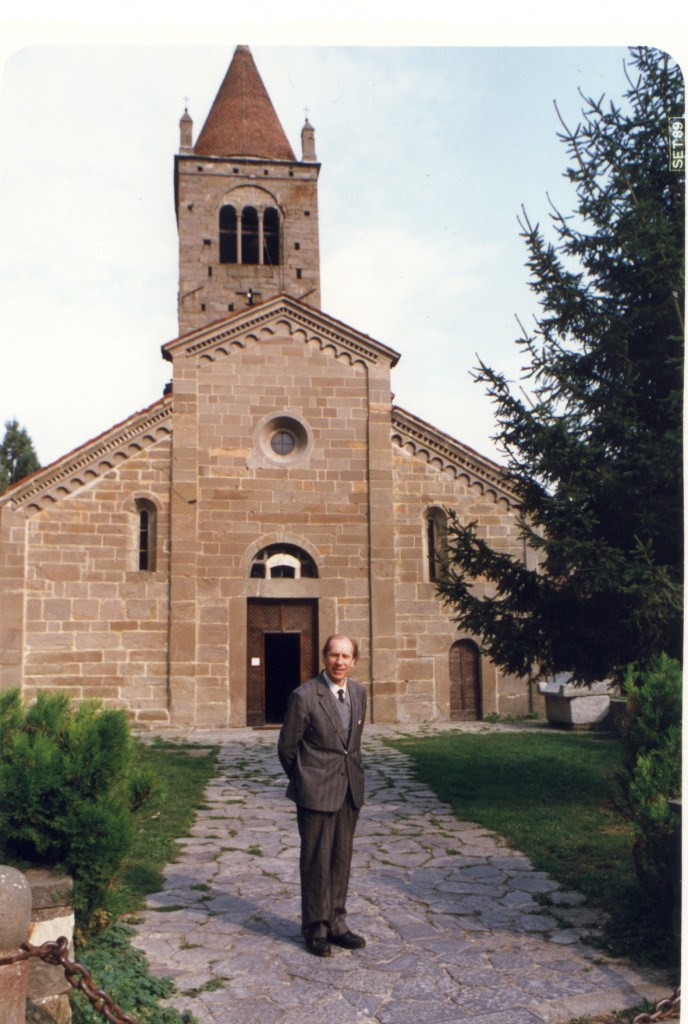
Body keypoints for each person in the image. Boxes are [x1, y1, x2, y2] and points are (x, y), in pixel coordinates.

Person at [278, 634, 367, 957]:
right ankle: (316, 928)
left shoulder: (358, 693)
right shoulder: (304, 696)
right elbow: (287, 747)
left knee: (341, 859)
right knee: (316, 861)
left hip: (349, 790)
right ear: (324, 657)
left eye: (345, 656)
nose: (339, 662)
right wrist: (307, 779)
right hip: (315, 792)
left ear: (354, 661)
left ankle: (337, 923)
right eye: (334, 655)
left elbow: (352, 744)